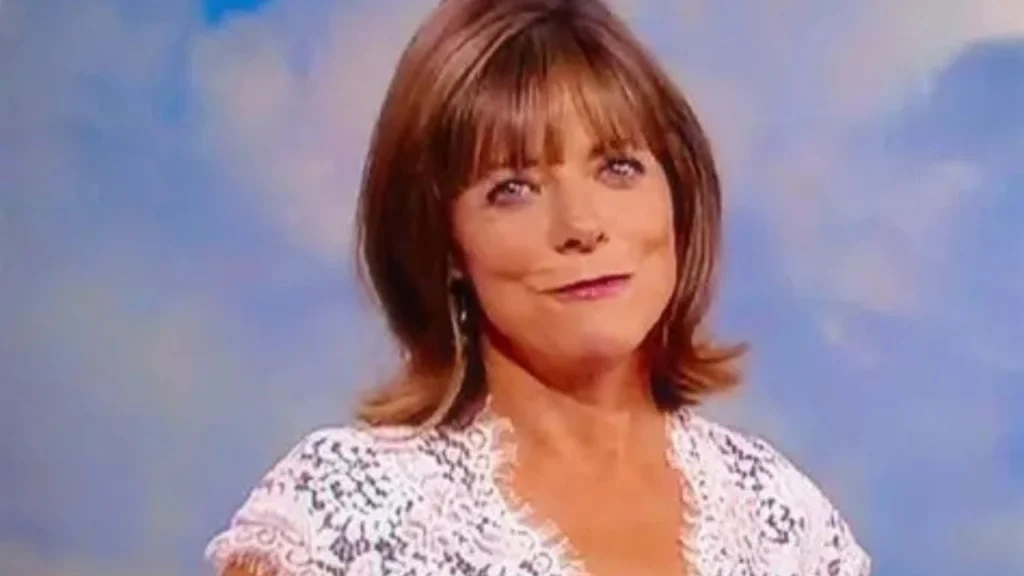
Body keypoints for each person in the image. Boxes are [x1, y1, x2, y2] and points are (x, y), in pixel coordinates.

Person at [205, 0, 871, 574]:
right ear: (445, 245)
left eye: (617, 168)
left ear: (678, 194)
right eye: (513, 189)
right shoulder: (339, 515)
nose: (581, 225)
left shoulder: (782, 518)